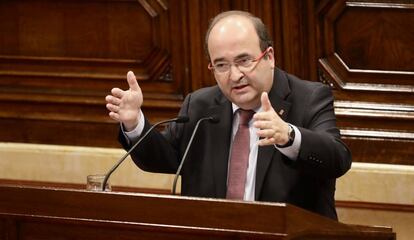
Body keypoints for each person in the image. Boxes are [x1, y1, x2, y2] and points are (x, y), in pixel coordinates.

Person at [105, 10, 352, 220]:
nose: (234, 76)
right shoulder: (200, 105)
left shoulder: (308, 99)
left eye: (244, 60)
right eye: (221, 65)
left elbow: (337, 159)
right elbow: (164, 159)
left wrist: (289, 136)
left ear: (269, 57)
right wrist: (134, 122)